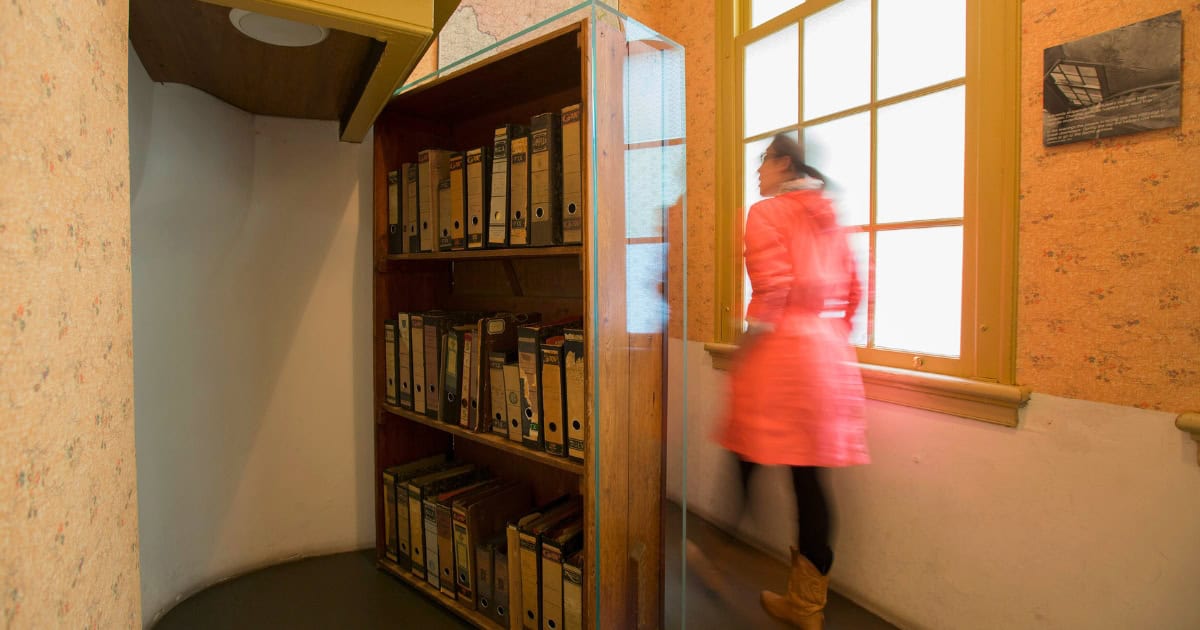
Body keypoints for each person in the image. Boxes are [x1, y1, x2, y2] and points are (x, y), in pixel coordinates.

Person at [716, 133, 869, 629]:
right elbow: (855, 292)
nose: (758, 172)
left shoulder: (767, 213)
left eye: (763, 162)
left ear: (783, 163)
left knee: (744, 446)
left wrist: (750, 344)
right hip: (828, 358)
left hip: (782, 355)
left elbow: (774, 286)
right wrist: (831, 336)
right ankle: (806, 605)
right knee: (809, 478)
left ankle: (718, 553)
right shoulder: (830, 214)